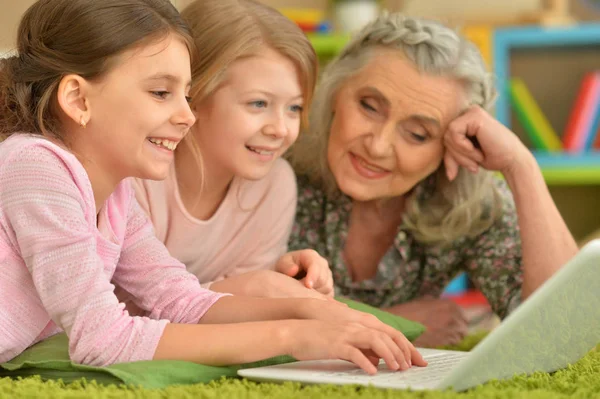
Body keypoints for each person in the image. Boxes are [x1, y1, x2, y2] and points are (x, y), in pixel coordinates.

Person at [0, 0, 426, 374]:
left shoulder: (115, 195)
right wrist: (291, 337)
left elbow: (180, 301)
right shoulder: (36, 167)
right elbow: (103, 339)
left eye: (186, 94)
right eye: (162, 92)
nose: (188, 115)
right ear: (77, 99)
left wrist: (319, 314)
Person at [288, 12, 578, 347]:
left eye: (417, 133)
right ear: (336, 92)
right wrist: (392, 323)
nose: (378, 146)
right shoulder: (275, 165)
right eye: (369, 107)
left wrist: (521, 165)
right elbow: (219, 303)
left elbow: (563, 328)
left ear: (451, 146)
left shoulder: (471, 205)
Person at [132, 0, 333, 299]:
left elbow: (231, 314)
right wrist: (254, 287)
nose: (280, 128)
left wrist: (283, 279)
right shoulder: (134, 175)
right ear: (194, 95)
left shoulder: (275, 185)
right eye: (259, 103)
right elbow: (115, 311)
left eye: (294, 107)